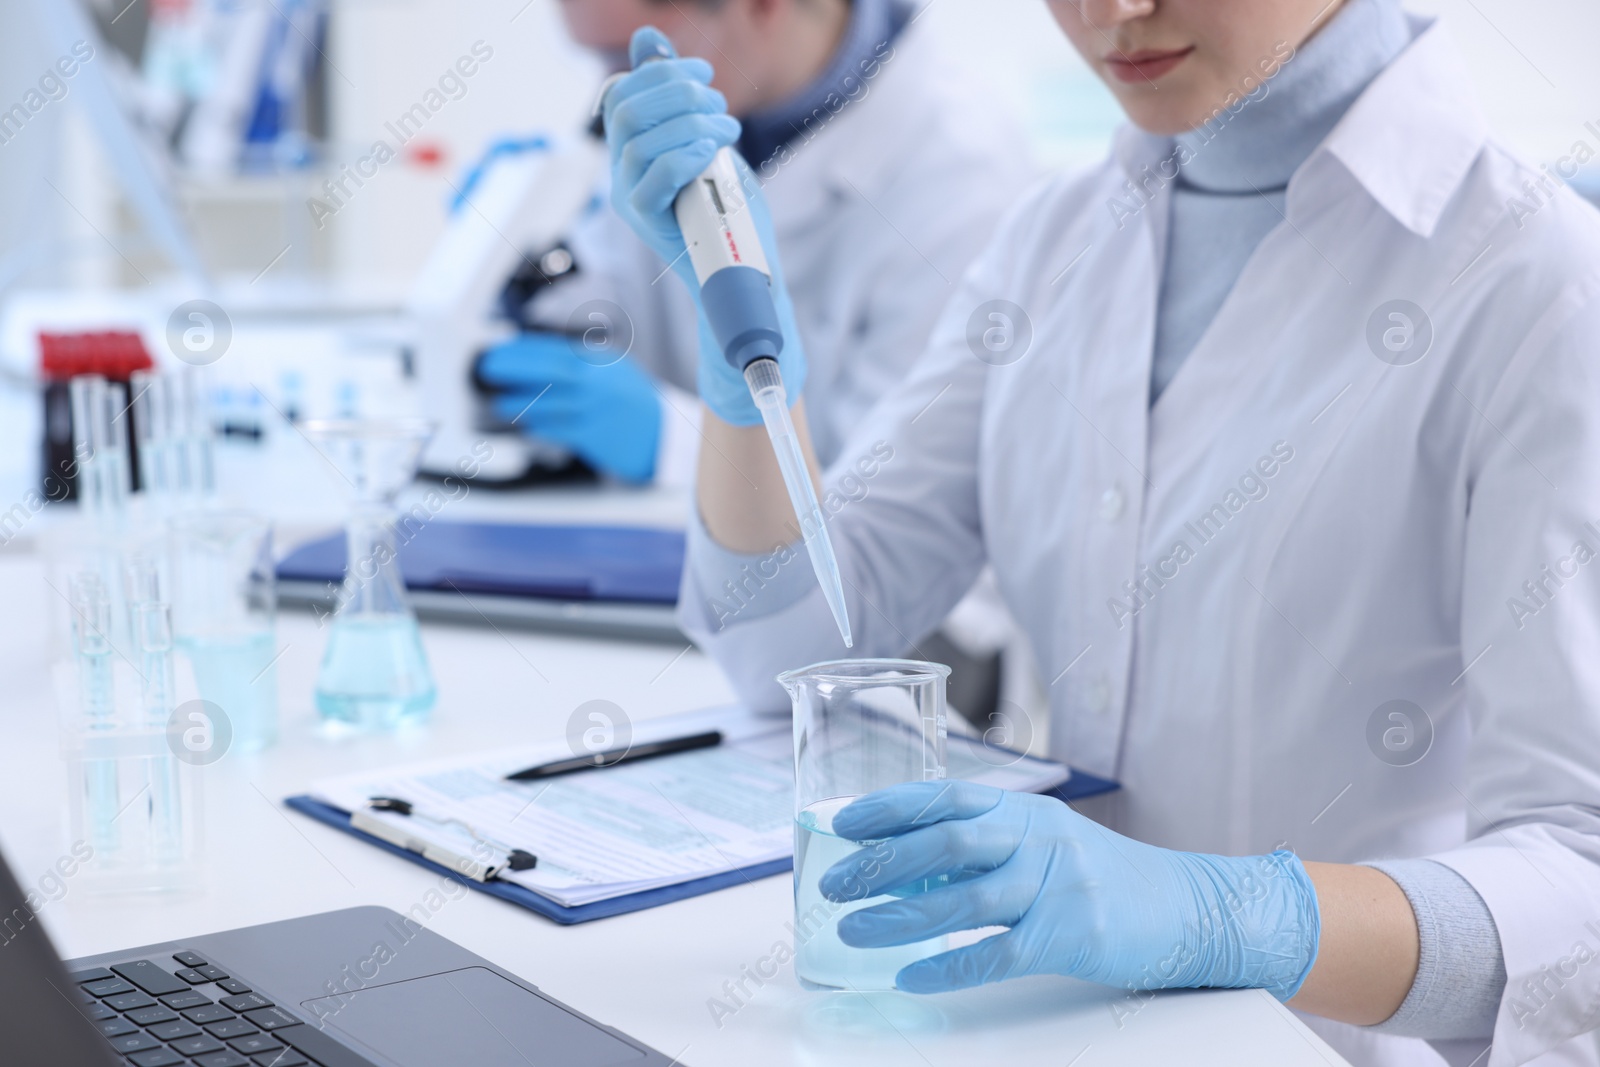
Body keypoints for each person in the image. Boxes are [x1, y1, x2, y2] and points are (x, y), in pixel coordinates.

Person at [600, 0, 1600, 1064]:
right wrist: (746, 379)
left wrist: (1237, 915)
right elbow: (787, 656)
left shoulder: (1541, 282)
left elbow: (1579, 885)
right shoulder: (1051, 240)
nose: (1112, 11)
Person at [477, 0, 1031, 487]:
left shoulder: (961, 175)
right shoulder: (696, 110)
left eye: (624, 58)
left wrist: (676, 444)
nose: (609, 98)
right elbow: (618, 304)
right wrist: (515, 257)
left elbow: (883, 510)